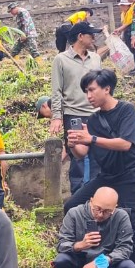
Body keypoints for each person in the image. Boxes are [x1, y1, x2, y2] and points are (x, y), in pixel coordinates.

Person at [64, 69, 135, 268]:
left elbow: (125, 144)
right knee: (72, 205)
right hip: (107, 175)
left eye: (92, 90)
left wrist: (91, 138)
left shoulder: (126, 110)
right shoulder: (93, 120)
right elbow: (83, 153)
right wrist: (73, 144)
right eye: (86, 91)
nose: (88, 96)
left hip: (131, 174)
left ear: (107, 89)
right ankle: (87, 259)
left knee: (133, 225)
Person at [55, 186, 135, 268]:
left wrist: (99, 262)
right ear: (91, 200)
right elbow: (61, 245)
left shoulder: (121, 217)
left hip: (106, 267)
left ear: (115, 207)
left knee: (129, 267)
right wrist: (80, 245)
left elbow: (125, 248)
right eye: (97, 209)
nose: (100, 214)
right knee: (61, 261)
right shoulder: (74, 213)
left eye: (107, 211)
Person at [50, 21, 104, 193]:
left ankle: (96, 196)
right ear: (80, 36)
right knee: (78, 159)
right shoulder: (61, 60)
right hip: (74, 115)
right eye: (91, 35)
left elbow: (101, 86)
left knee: (98, 155)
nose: (94, 38)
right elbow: (56, 90)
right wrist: (56, 117)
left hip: (96, 114)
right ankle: (78, 197)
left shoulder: (95, 58)